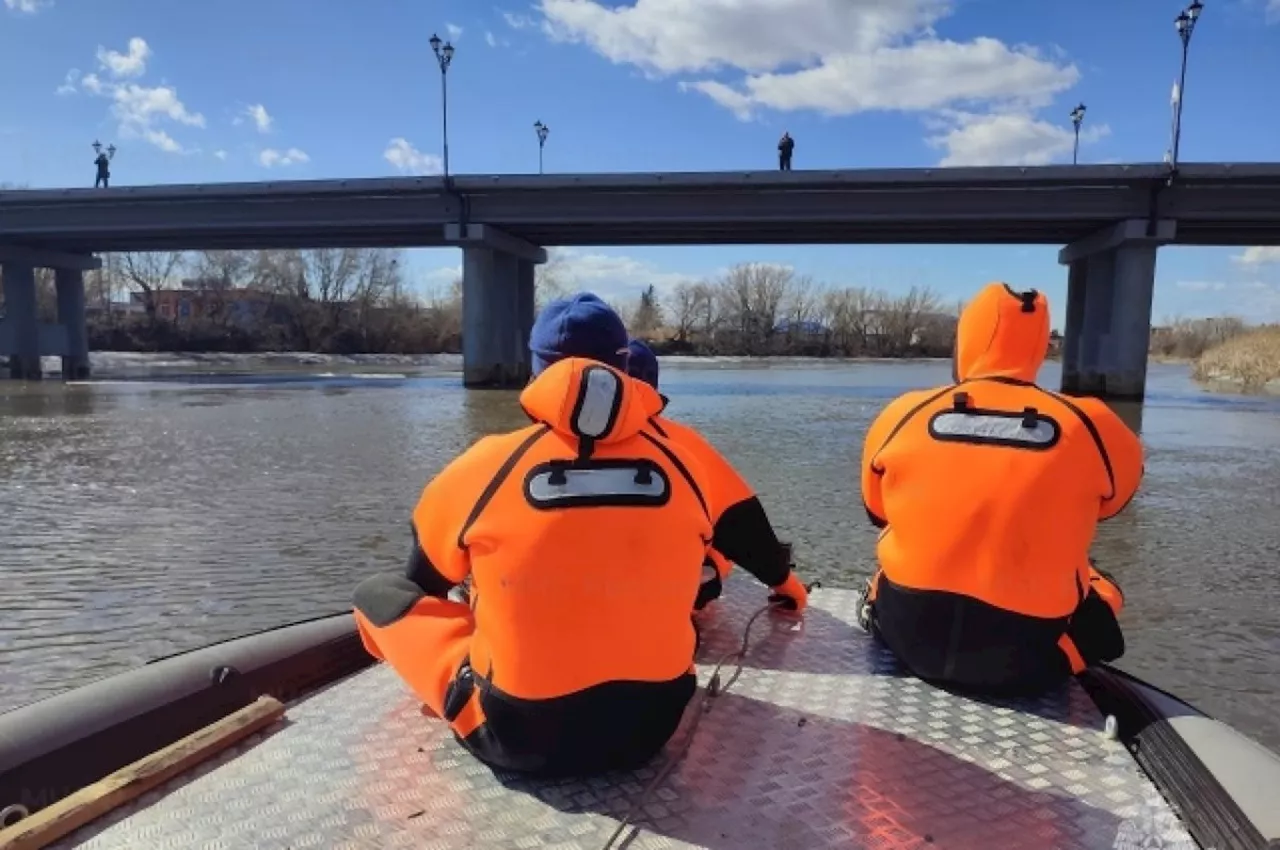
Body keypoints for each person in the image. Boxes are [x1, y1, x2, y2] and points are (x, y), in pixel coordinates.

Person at [352, 293, 810, 777]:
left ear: (535, 373)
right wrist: (790, 590)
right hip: (651, 730)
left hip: (518, 736)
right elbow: (754, 539)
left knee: (378, 595)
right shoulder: (687, 458)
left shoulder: (484, 466)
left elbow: (423, 587)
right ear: (624, 365)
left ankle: (458, 697)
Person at [858, 282, 1143, 695]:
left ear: (966, 340)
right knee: (1102, 584)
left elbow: (876, 510)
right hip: (1027, 660)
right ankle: (1071, 653)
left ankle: (874, 607)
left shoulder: (903, 412)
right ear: (1040, 345)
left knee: (894, 550)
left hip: (907, 639)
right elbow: (1112, 505)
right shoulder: (1094, 424)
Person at [625, 339, 807, 613]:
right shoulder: (680, 442)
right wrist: (786, 585)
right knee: (716, 544)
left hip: (564, 593)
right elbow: (742, 524)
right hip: (657, 601)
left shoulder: (539, 442)